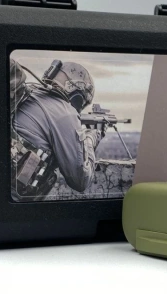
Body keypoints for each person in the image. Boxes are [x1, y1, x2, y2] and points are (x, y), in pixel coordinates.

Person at [10, 59, 100, 199]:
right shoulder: (65, 113)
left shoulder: (31, 94)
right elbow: (81, 180)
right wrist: (90, 138)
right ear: (76, 91)